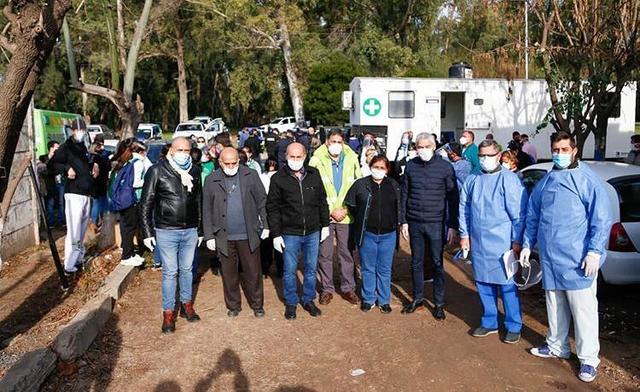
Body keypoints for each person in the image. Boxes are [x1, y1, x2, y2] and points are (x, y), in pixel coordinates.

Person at [520, 131, 612, 383]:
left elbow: (601, 219)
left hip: (577, 259)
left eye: (564, 150)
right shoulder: (547, 181)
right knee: (555, 304)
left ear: (574, 151)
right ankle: (557, 345)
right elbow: (533, 215)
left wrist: (594, 251)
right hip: (551, 258)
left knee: (583, 310)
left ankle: (588, 358)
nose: (559, 154)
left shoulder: (586, 181)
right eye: (556, 150)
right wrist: (527, 244)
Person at [459, 140, 528, 344]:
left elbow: (519, 214)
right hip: (479, 242)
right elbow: (465, 208)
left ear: (499, 156)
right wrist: (464, 234)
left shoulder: (509, 180)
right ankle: (489, 321)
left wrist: (517, 240)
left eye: (488, 156)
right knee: (483, 282)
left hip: (503, 243)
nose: (484, 160)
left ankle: (513, 324)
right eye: (481, 156)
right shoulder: (473, 179)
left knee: (507, 285)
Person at [140, 137, 203, 333]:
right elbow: (146, 203)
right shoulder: (157, 170)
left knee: (187, 270)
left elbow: (198, 200)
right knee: (170, 272)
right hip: (166, 230)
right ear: (172, 150)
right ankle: (168, 313)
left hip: (190, 230)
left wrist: (200, 229)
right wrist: (147, 232)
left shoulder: (194, 170)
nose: (184, 154)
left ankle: (186, 304)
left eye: (187, 150)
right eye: (180, 150)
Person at [266, 142, 330, 320]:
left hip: (312, 231)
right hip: (290, 232)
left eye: (299, 157)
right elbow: (273, 208)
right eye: (292, 157)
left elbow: (322, 201)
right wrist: (276, 234)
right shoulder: (278, 178)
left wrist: (324, 225)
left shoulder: (313, 174)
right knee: (289, 270)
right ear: (286, 157)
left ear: (304, 156)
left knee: (310, 269)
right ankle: (291, 302)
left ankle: (309, 299)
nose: (295, 160)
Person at [400, 133, 459, 320]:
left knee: (437, 263)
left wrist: (452, 225)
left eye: (426, 146)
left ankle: (439, 303)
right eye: (419, 146)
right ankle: (418, 298)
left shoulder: (445, 168)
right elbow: (404, 195)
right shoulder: (411, 166)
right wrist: (404, 221)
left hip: (436, 222)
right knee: (416, 262)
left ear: (434, 147)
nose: (423, 150)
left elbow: (453, 198)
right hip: (415, 221)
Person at [203, 148, 268, 318]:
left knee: (253, 271)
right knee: (229, 274)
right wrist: (209, 235)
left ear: (239, 161)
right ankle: (233, 305)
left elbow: (262, 201)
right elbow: (206, 210)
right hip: (224, 236)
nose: (231, 166)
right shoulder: (211, 180)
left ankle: (257, 304)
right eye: (227, 163)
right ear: (220, 162)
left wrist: (266, 225)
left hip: (248, 234)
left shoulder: (251, 175)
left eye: (234, 163)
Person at [309, 129, 361, 306]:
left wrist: (345, 210)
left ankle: (348, 287)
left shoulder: (352, 159)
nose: (336, 145)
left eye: (339, 142)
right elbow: (313, 190)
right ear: (326, 142)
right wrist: (330, 211)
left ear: (344, 143)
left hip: (346, 216)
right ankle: (327, 289)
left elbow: (358, 186)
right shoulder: (316, 160)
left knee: (346, 253)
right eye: (333, 141)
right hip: (325, 217)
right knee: (325, 254)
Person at [345, 155, 400, 313]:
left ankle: (384, 300)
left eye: (382, 168)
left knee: (384, 269)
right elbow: (352, 204)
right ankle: (368, 298)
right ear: (370, 167)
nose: (379, 170)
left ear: (387, 170)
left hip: (388, 235)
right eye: (376, 167)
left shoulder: (393, 185)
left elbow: (399, 206)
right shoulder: (361, 184)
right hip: (367, 233)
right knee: (368, 268)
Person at [49, 127, 99, 274]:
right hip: (74, 194)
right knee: (74, 229)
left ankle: (78, 258)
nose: (80, 132)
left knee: (82, 230)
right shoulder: (66, 147)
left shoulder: (82, 146)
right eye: (77, 129)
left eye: (82, 129)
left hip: (86, 193)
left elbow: (85, 164)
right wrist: (66, 169)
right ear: (72, 130)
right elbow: (52, 165)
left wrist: (94, 165)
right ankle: (69, 265)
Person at [110, 138, 145, 267]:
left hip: (121, 199)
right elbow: (135, 183)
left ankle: (128, 253)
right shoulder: (137, 162)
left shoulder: (121, 161)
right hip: (130, 199)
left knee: (125, 227)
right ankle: (127, 255)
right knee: (130, 228)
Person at [259, 159, 283, 277]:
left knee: (279, 244)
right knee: (265, 245)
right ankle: (265, 269)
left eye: (274, 164)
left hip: (278, 213)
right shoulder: (261, 177)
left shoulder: (281, 176)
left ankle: (281, 269)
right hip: (265, 212)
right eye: (270, 164)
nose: (272, 166)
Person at [90, 135, 111, 228]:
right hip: (101, 182)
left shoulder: (89, 155)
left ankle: (94, 223)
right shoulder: (102, 156)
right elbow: (106, 168)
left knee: (96, 203)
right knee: (102, 203)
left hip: (94, 183)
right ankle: (103, 221)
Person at [46, 141, 65, 227]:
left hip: (60, 183)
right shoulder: (44, 158)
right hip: (50, 185)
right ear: (51, 148)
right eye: (57, 147)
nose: (59, 149)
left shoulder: (60, 158)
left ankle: (62, 221)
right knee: (50, 203)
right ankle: (51, 222)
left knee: (61, 202)